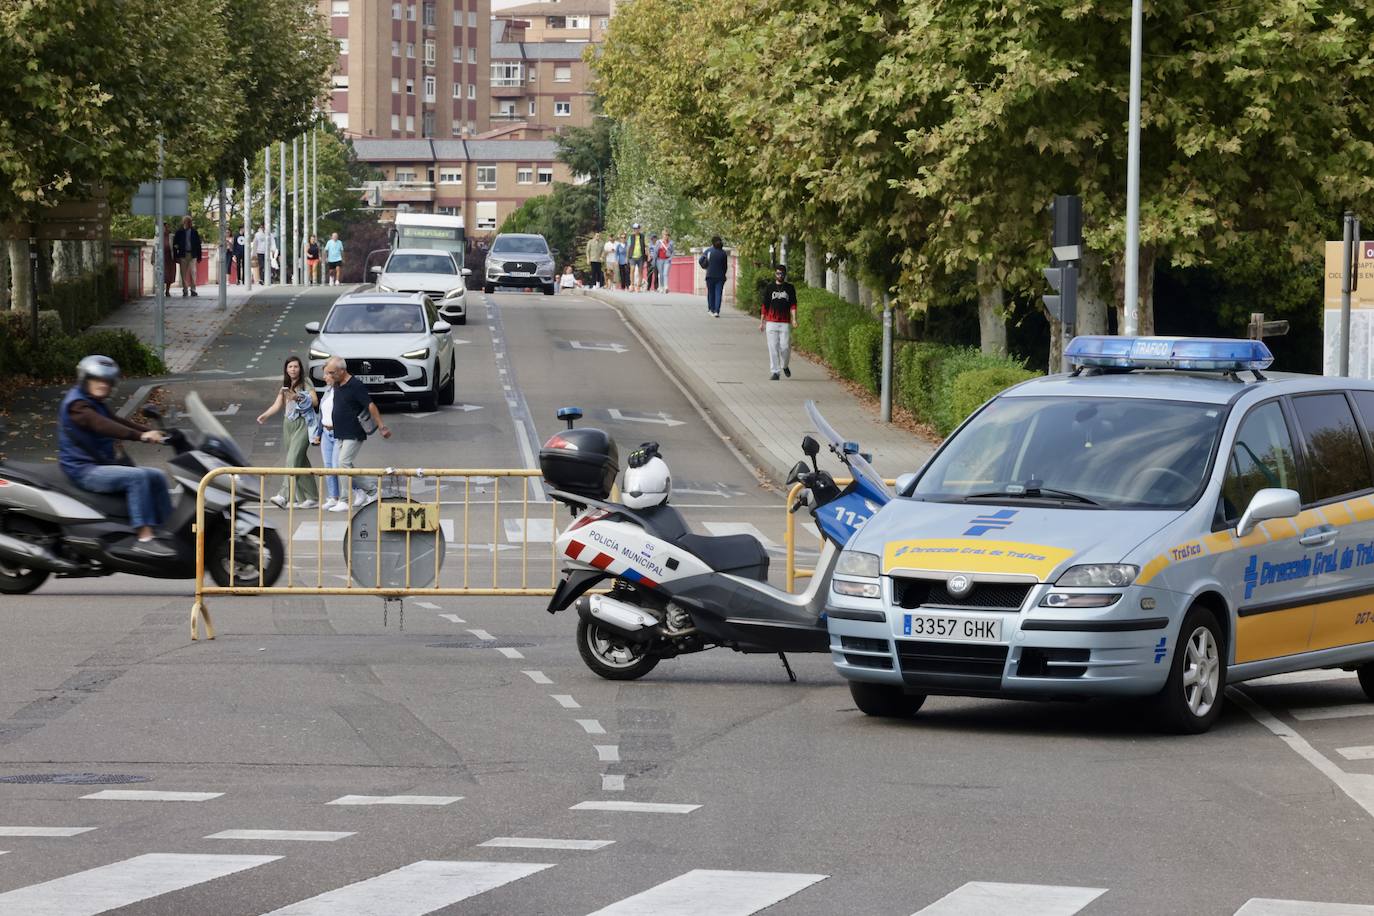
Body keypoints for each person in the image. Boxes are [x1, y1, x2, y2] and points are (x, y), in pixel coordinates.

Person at [58, 356, 172, 557]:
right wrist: (141, 436)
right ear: (85, 379)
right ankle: (144, 538)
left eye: (107, 381)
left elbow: (115, 420)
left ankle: (167, 531)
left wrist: (152, 432)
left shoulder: (94, 401)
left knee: (157, 476)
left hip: (99, 464)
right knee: (137, 478)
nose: (103, 385)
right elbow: (101, 425)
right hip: (84, 470)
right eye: (97, 380)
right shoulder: (77, 405)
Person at [323, 356, 391, 507]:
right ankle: (372, 491)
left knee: (343, 463)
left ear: (342, 371)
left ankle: (345, 500)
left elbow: (370, 405)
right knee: (344, 467)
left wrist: (381, 426)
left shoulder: (355, 385)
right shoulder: (337, 384)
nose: (329, 376)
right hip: (340, 432)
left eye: (332, 372)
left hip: (353, 432)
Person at [255, 356, 321, 509]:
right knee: (300, 461)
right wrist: (265, 415)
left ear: (300, 368)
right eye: (290, 367)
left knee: (292, 459)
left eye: (296, 366)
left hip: (304, 423)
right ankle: (310, 497)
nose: (293, 369)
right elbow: (277, 405)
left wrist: (297, 397)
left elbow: (315, 401)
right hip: (288, 424)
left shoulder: (306, 382)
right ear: (286, 369)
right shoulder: (285, 385)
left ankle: (283, 496)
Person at [759, 263, 799, 380]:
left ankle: (784, 365)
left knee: (785, 347)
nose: (779, 275)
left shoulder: (790, 288)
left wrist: (794, 319)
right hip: (771, 322)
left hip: (785, 322)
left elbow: (793, 304)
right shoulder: (770, 287)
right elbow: (764, 305)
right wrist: (762, 322)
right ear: (775, 274)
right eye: (777, 273)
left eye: (781, 273)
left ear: (785, 274)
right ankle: (775, 371)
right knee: (773, 347)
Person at [317, 369, 345, 511]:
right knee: (328, 467)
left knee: (337, 466)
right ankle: (333, 497)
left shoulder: (343, 391)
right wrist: (318, 432)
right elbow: (322, 413)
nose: (324, 377)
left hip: (338, 432)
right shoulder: (327, 391)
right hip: (326, 432)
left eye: (327, 374)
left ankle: (359, 490)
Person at [173, 216, 202, 297]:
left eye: (190, 222)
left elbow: (198, 245)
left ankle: (193, 289)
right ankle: (185, 289)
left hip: (193, 255)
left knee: (193, 272)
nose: (189, 224)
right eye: (187, 222)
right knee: (183, 273)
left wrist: (199, 256)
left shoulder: (194, 232)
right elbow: (175, 244)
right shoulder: (179, 232)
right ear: (184, 223)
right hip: (183, 254)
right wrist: (176, 256)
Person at [700, 235, 728, 317]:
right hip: (720, 276)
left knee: (711, 293)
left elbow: (700, 260)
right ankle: (717, 311)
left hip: (710, 275)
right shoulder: (723, 253)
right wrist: (724, 274)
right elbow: (725, 266)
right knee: (718, 293)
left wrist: (705, 266)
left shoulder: (709, 251)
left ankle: (711, 309)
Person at [627, 223, 647, 291]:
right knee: (632, 270)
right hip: (632, 256)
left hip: (640, 256)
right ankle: (632, 285)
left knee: (640, 271)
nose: (636, 230)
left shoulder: (642, 236)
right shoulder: (631, 237)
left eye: (637, 229)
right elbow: (628, 247)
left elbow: (645, 245)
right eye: (635, 229)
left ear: (639, 229)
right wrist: (627, 256)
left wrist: (647, 254)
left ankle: (638, 286)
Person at [161, 221, 175, 297]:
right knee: (162, 274)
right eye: (164, 227)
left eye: (167, 227)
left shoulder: (171, 236)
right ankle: (161, 290)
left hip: (170, 258)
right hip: (161, 258)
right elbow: (155, 247)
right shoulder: (158, 236)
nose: (166, 228)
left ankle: (167, 291)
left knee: (169, 275)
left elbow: (175, 246)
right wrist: (153, 258)